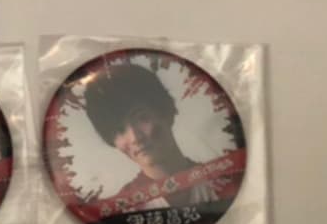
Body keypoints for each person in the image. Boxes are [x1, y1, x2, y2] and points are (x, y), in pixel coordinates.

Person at [83, 62, 232, 209]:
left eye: (142, 118)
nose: (135, 138)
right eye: (119, 130)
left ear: (166, 112)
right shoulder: (121, 208)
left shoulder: (227, 181)